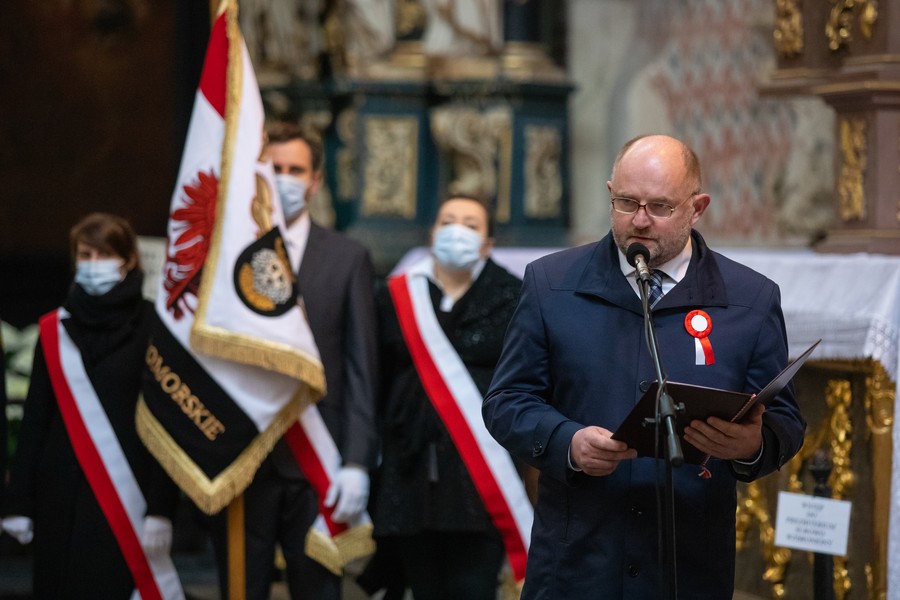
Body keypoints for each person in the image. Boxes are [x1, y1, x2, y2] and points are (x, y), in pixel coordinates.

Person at [482, 134, 806, 599]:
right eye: (626, 202)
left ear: (697, 208)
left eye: (660, 207)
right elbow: (506, 402)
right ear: (610, 193)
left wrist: (752, 443)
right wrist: (567, 442)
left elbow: (786, 420)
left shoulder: (750, 298)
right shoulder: (550, 283)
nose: (639, 221)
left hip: (687, 563)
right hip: (579, 561)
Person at [209, 121, 379, 600]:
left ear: (315, 180)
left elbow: (361, 367)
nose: (285, 178)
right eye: (275, 168)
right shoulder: (231, 254)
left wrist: (357, 461)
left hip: (317, 466)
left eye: (295, 169)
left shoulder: (347, 257)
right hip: (244, 462)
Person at [1, 212, 182, 599]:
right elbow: (35, 420)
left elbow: (167, 424)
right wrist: (18, 502)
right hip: (60, 500)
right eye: (85, 255)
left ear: (129, 260)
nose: (93, 265)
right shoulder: (54, 328)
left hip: (126, 500)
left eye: (104, 255)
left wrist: (161, 509)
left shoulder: (154, 326)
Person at [367, 196, 525, 600]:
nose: (457, 231)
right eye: (448, 221)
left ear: (488, 242)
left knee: (473, 590)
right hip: (410, 477)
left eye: (470, 225)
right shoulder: (396, 296)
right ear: (433, 233)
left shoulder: (514, 297)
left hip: (480, 480)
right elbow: (378, 378)